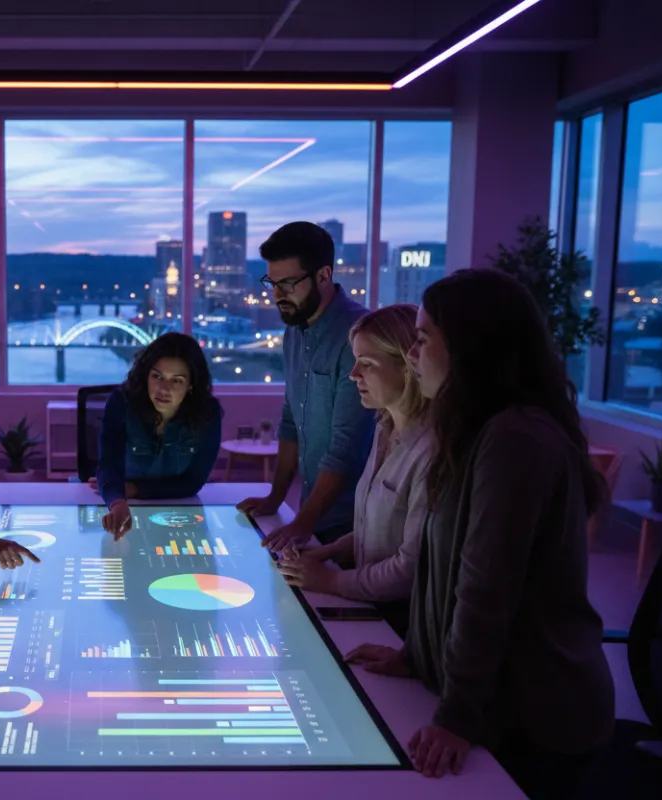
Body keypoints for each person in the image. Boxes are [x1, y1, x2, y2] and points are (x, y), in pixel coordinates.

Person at [346, 269, 614, 796]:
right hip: (497, 700)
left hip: (537, 718)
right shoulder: (473, 430)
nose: (414, 354)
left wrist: (458, 717)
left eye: (422, 341)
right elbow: (439, 561)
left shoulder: (516, 439)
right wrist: (414, 656)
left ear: (471, 346)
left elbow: (485, 588)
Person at [277, 304, 432, 636]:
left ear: (408, 367)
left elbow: (409, 567)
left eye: (367, 364)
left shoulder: (432, 451)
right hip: (372, 608)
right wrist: (325, 552)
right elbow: (376, 530)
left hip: (405, 627)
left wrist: (330, 580)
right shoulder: (384, 427)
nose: (353, 375)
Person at [238, 221, 375, 549]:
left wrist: (303, 523)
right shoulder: (294, 332)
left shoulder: (359, 335)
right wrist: (276, 498)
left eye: (287, 283)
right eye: (271, 283)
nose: (277, 295)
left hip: (353, 523)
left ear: (324, 276)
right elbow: (290, 420)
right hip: (312, 515)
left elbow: (347, 446)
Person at [95, 332, 223, 538]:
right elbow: (109, 465)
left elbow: (193, 482)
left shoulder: (208, 413)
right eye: (157, 377)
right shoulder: (121, 402)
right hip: (122, 505)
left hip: (179, 513)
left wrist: (135, 489)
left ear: (191, 385)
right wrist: (117, 500)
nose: (164, 389)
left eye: (177, 381)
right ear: (146, 375)